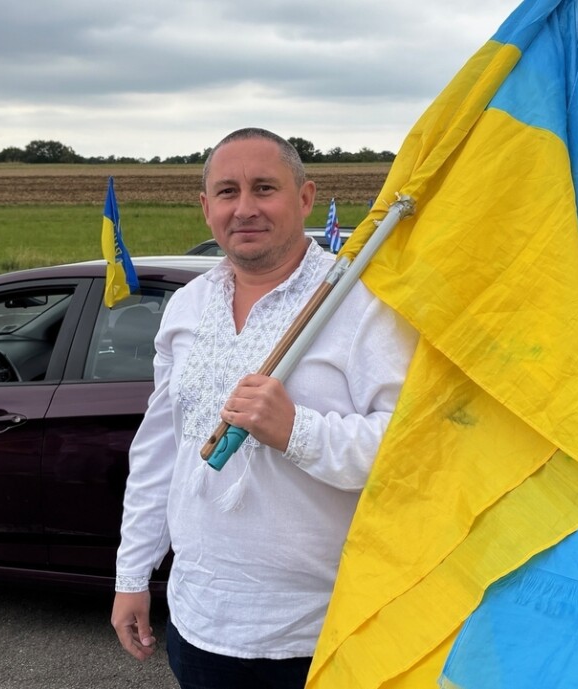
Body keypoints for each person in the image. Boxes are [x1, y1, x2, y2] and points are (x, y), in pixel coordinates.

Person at [110, 128, 416, 688]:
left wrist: (297, 431)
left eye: (264, 188)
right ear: (206, 208)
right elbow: (160, 450)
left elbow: (411, 451)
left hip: (322, 632)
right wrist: (131, 573)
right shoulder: (186, 306)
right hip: (199, 623)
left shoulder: (363, 303)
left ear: (304, 197)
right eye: (227, 192)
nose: (244, 208)